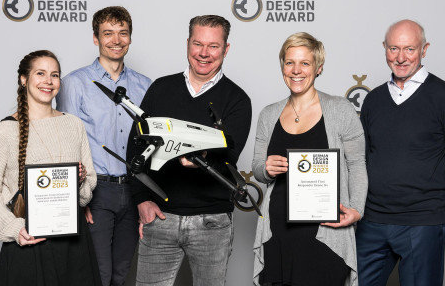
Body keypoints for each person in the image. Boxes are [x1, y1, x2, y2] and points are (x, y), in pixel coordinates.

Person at [128, 14, 252, 286]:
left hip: (212, 223)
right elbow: (135, 148)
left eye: (213, 46)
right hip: (160, 218)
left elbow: (229, 159)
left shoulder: (237, 99)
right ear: (187, 44)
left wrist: (204, 159)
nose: (204, 54)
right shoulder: (161, 88)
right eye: (198, 44)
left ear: (226, 49)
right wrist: (141, 199)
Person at [252, 32, 368, 286]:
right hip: (278, 233)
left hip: (324, 234)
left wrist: (356, 209)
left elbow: (357, 164)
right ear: (282, 65)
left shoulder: (340, 109)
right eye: (289, 62)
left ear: (319, 68)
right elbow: (258, 169)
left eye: (305, 63)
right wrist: (267, 169)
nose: (296, 70)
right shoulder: (268, 114)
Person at [0, 50, 101, 286]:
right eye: (40, 73)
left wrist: (81, 179)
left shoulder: (73, 125)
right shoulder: (4, 131)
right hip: (29, 239)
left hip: (73, 242)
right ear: (24, 79)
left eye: (54, 75)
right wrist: (14, 228)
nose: (48, 81)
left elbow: (88, 187)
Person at [56, 6, 152, 286]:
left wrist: (145, 195)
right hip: (95, 192)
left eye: (123, 33)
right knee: (97, 274)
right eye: (108, 33)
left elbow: (150, 145)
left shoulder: (145, 86)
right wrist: (77, 198)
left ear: (130, 38)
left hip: (133, 190)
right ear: (96, 38)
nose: (116, 40)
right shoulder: (74, 83)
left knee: (121, 275)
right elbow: (66, 144)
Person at [356, 19, 445, 286]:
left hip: (423, 222)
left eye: (409, 49)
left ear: (424, 49)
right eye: (394, 48)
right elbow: (362, 157)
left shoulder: (441, 96)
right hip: (372, 220)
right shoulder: (374, 99)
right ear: (384, 48)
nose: (401, 57)